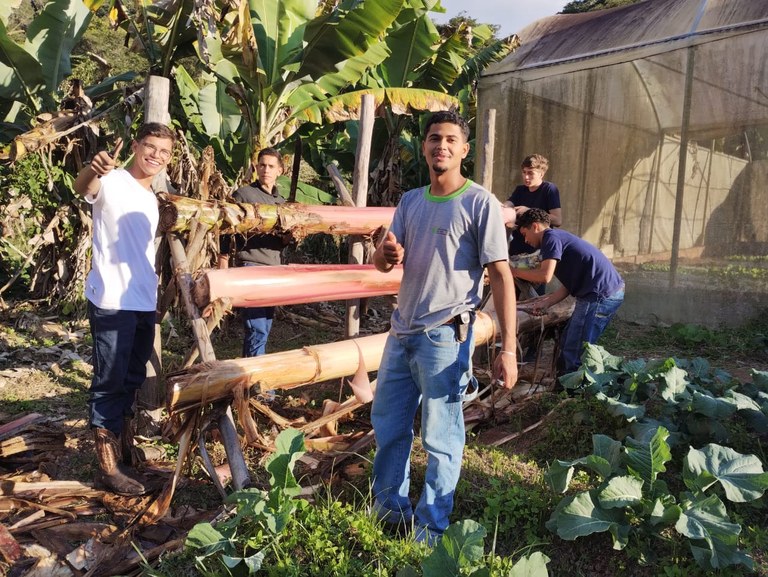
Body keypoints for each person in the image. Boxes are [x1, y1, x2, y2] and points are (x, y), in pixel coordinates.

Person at [370, 110, 518, 546]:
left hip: (445, 335)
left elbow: (502, 276)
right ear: (425, 146)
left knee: (441, 437)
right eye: (435, 138)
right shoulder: (411, 202)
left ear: (464, 149)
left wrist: (508, 348)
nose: (442, 146)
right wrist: (386, 254)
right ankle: (389, 511)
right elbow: (383, 262)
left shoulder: (480, 203)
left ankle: (430, 529)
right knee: (389, 427)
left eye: (451, 139)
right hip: (401, 332)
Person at [73, 122, 176, 496]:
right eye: (150, 147)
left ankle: (125, 449)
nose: (156, 156)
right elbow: (83, 187)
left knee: (132, 377)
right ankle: (107, 467)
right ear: (136, 146)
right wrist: (93, 169)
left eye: (164, 152)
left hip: (142, 299)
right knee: (110, 381)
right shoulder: (112, 180)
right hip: (112, 299)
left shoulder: (151, 198)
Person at [510, 208, 624, 374]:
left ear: (535, 226)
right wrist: (546, 303)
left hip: (599, 295)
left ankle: (574, 385)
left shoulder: (550, 238)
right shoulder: (557, 239)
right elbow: (569, 286)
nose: (525, 240)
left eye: (524, 234)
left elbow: (544, 276)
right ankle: (568, 381)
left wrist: (512, 271)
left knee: (574, 347)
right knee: (568, 341)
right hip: (601, 293)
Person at [219, 148, 288, 359]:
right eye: (262, 165)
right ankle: (257, 377)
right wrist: (223, 259)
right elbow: (226, 227)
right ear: (256, 167)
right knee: (256, 329)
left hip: (273, 268)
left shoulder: (281, 202)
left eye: (271, 166)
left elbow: (282, 242)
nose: (266, 170)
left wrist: (288, 236)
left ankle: (248, 373)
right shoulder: (244, 194)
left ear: (280, 170)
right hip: (251, 266)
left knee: (264, 327)